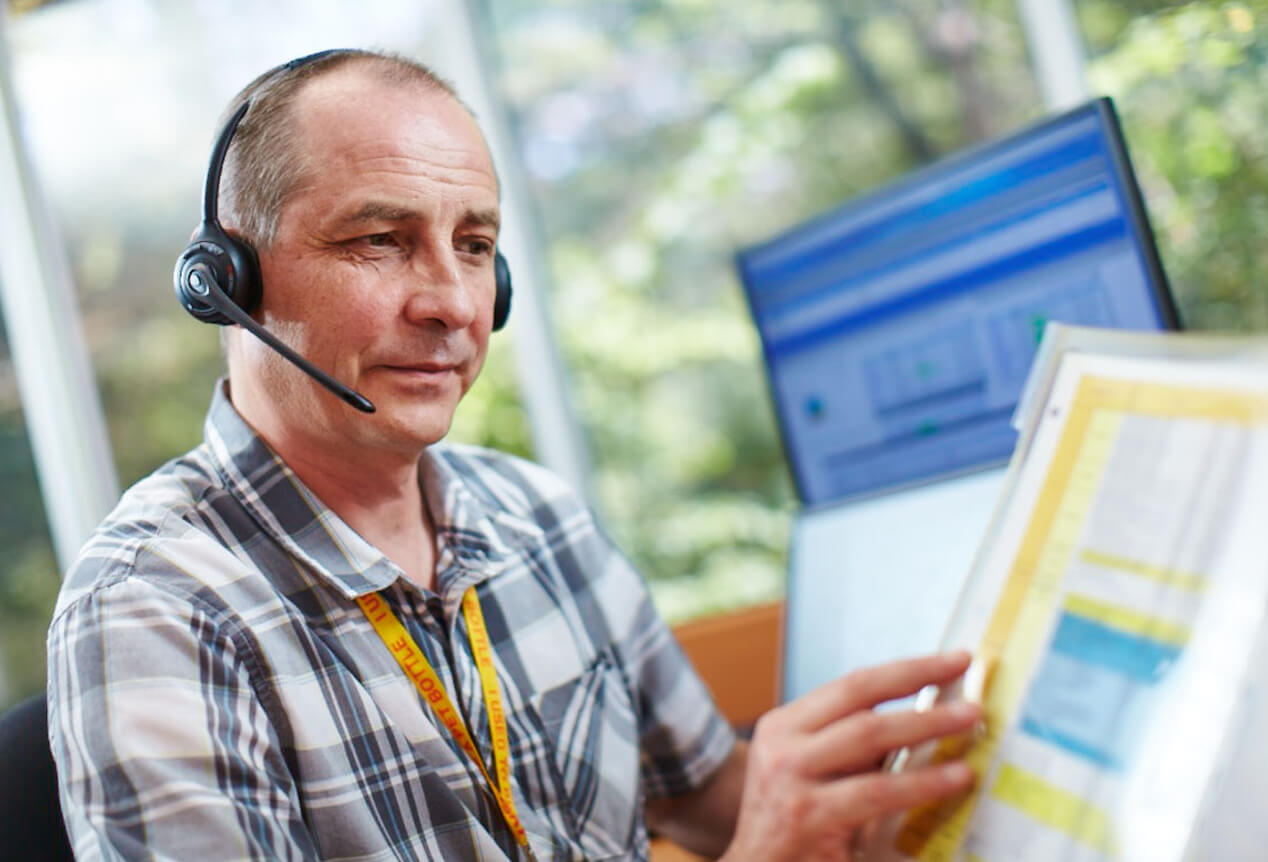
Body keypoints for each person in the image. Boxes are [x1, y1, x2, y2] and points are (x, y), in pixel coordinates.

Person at [47, 49, 980, 861]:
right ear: (229, 281)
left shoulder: (538, 516)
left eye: (475, 245)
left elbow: (721, 797)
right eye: (383, 241)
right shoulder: (156, 615)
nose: (454, 304)